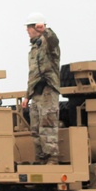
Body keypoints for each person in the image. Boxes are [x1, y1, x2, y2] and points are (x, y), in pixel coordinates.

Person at [23, 12, 61, 164]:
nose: (27, 31)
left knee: (47, 126)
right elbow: (32, 74)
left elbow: (54, 40)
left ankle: (52, 158)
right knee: (35, 128)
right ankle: (41, 158)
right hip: (36, 93)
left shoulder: (48, 44)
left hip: (48, 90)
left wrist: (45, 30)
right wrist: (27, 96)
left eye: (29, 27)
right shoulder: (33, 49)